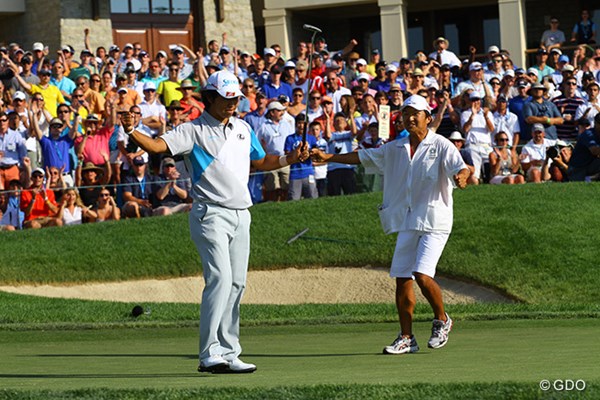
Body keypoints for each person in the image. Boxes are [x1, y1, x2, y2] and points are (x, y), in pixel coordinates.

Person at [119, 70, 308, 374]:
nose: (232, 103)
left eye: (235, 98)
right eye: (226, 98)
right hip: (210, 214)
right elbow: (156, 147)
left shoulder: (243, 128)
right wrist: (131, 131)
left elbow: (260, 161)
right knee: (219, 279)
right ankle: (209, 354)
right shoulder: (191, 130)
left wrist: (289, 158)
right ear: (209, 98)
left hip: (241, 213)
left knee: (237, 283)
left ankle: (230, 352)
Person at [311, 95, 469, 354]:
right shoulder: (394, 148)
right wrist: (328, 157)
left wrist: (462, 177)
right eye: (405, 113)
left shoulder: (442, 144)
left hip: (435, 221)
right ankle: (407, 338)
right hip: (408, 221)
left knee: (421, 274)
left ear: (428, 118)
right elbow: (363, 157)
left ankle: (442, 319)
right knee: (402, 279)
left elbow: (461, 168)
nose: (409, 117)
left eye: (415, 112)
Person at [284, 114, 318, 200]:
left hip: (309, 172)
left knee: (312, 197)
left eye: (304, 123)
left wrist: (308, 152)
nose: (301, 126)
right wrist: (297, 153)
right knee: (294, 199)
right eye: (299, 123)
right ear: (296, 124)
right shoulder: (290, 138)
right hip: (295, 173)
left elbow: (315, 153)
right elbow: (287, 153)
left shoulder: (312, 138)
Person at [568, 113, 600, 181]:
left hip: (589, 166)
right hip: (577, 169)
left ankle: (591, 178)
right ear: (595, 123)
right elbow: (594, 151)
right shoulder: (588, 134)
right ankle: (588, 179)